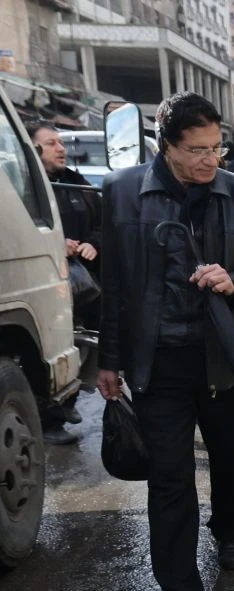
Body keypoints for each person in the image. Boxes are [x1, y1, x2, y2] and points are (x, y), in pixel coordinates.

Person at [97, 91, 234, 591]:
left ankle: (228, 529)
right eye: (196, 149)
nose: (209, 160)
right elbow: (116, 285)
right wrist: (108, 360)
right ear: (166, 145)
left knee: (232, 459)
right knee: (169, 480)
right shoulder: (123, 193)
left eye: (216, 148)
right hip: (159, 363)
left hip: (227, 357)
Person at [28, 120, 102, 445]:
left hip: (85, 284)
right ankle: (49, 417)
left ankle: (68, 400)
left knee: (87, 346)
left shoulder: (75, 183)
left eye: (61, 142)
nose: (61, 148)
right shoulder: (24, 189)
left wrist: (93, 243)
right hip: (45, 286)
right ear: (33, 150)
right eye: (51, 143)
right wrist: (58, 242)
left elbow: (103, 222)